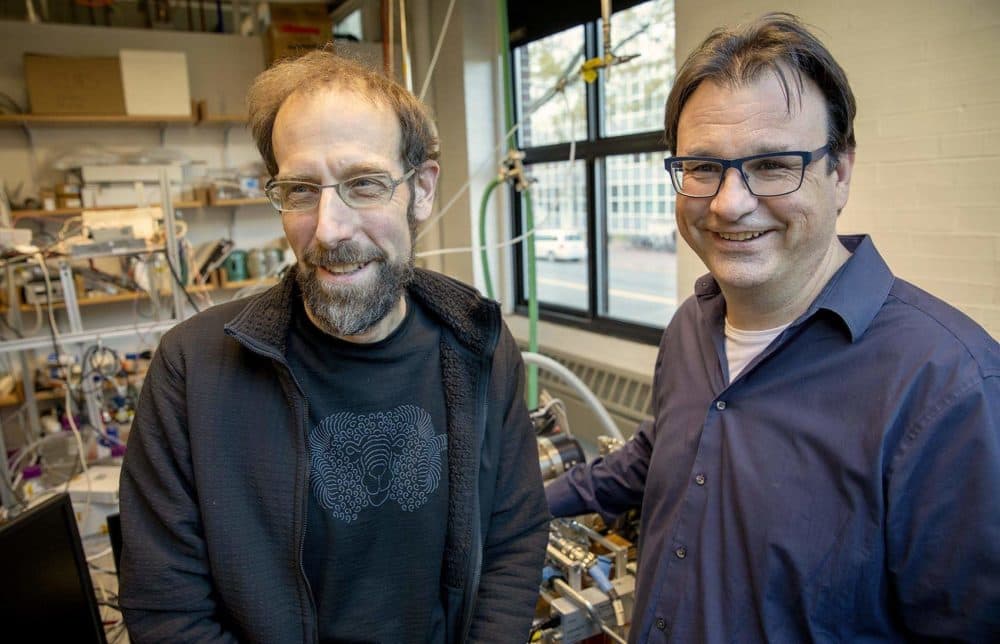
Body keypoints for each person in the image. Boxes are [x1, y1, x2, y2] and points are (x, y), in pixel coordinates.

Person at [546, 12, 999, 643]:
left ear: (839, 171)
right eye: (703, 167)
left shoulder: (949, 387)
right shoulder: (689, 328)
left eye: (773, 164)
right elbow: (658, 456)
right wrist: (524, 503)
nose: (730, 202)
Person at [119, 50, 549, 643]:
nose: (328, 229)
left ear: (421, 189)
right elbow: (167, 613)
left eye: (364, 184)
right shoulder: (192, 370)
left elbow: (513, 539)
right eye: (300, 190)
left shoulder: (478, 343)